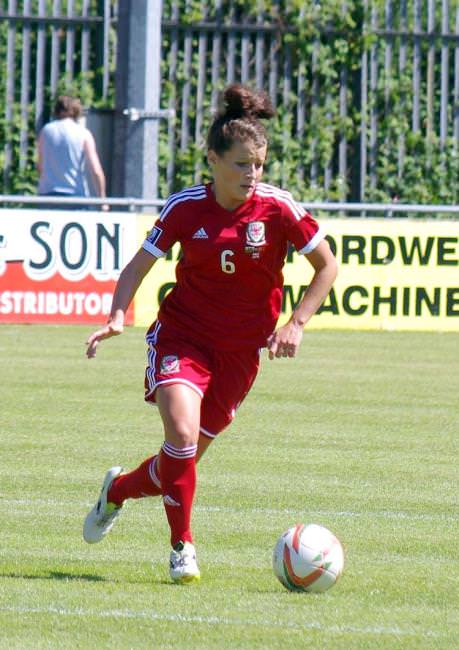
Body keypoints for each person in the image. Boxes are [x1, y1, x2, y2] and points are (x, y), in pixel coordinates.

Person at [83, 84, 338, 584]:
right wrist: (118, 315)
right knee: (179, 437)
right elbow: (138, 266)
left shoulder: (277, 208)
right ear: (214, 161)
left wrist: (296, 323)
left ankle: (115, 491)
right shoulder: (185, 207)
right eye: (242, 163)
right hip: (183, 337)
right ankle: (183, 549)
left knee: (175, 466)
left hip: (241, 354)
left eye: (260, 164)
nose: (253, 174)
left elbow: (326, 268)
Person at [37, 95, 108, 209]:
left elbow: (40, 166)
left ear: (56, 110)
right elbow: (95, 169)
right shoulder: (83, 133)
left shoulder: (46, 131)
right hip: (75, 194)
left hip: (47, 194)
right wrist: (102, 199)